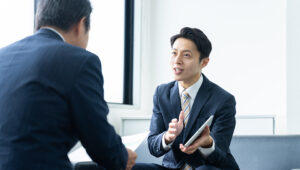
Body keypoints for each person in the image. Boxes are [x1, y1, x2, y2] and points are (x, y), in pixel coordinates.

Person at [0, 0, 136, 169]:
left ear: (39, 20)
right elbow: (101, 144)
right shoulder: (81, 61)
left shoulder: (3, 56)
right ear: (81, 24)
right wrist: (122, 157)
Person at [133, 27, 239, 170]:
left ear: (204, 62)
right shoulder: (161, 93)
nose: (177, 61)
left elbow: (220, 155)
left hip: (208, 167)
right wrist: (168, 137)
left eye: (186, 55)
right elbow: (153, 145)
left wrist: (207, 143)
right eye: (174, 53)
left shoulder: (223, 100)